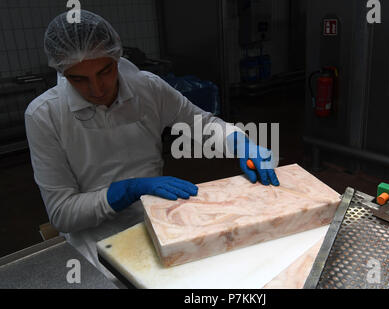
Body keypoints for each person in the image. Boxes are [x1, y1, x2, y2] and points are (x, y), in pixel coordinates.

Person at [25, 10, 279, 278]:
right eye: (79, 79)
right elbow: (63, 213)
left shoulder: (148, 89)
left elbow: (202, 124)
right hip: (94, 245)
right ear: (62, 72)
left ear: (116, 56)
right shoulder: (45, 115)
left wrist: (238, 141)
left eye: (105, 71)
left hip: (158, 220)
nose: (97, 89)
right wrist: (128, 190)